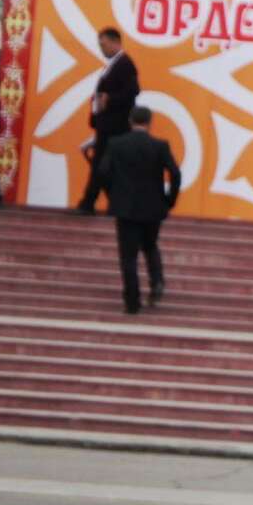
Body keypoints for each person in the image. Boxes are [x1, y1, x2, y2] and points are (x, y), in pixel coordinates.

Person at [100, 106, 181, 314]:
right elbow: (175, 173)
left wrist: (114, 194)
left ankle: (132, 301)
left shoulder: (116, 144)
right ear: (150, 122)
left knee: (128, 256)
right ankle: (156, 281)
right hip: (153, 206)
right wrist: (169, 199)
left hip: (125, 207)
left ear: (130, 120)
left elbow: (103, 172)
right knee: (150, 245)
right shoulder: (159, 146)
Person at [73, 27, 139, 215]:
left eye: (103, 44)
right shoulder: (113, 65)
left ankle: (89, 203)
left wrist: (109, 98)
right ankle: (117, 205)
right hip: (107, 124)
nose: (101, 48)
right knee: (106, 167)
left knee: (101, 165)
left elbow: (133, 91)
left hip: (115, 126)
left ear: (114, 42)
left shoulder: (125, 63)